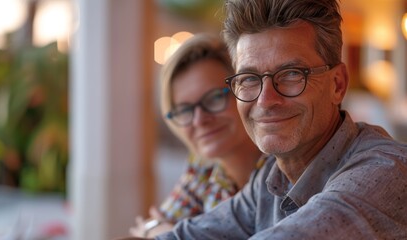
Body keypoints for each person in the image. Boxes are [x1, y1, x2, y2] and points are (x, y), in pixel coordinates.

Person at [119, 0, 407, 239]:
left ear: (338, 84)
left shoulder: (385, 171)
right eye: (249, 79)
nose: (266, 100)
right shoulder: (271, 179)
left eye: (292, 74)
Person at [129, 33, 264, 238]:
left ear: (244, 90)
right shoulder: (203, 167)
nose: (199, 120)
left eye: (214, 98)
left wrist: (162, 231)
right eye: (184, 110)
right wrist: (157, 228)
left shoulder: (280, 170)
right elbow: (148, 229)